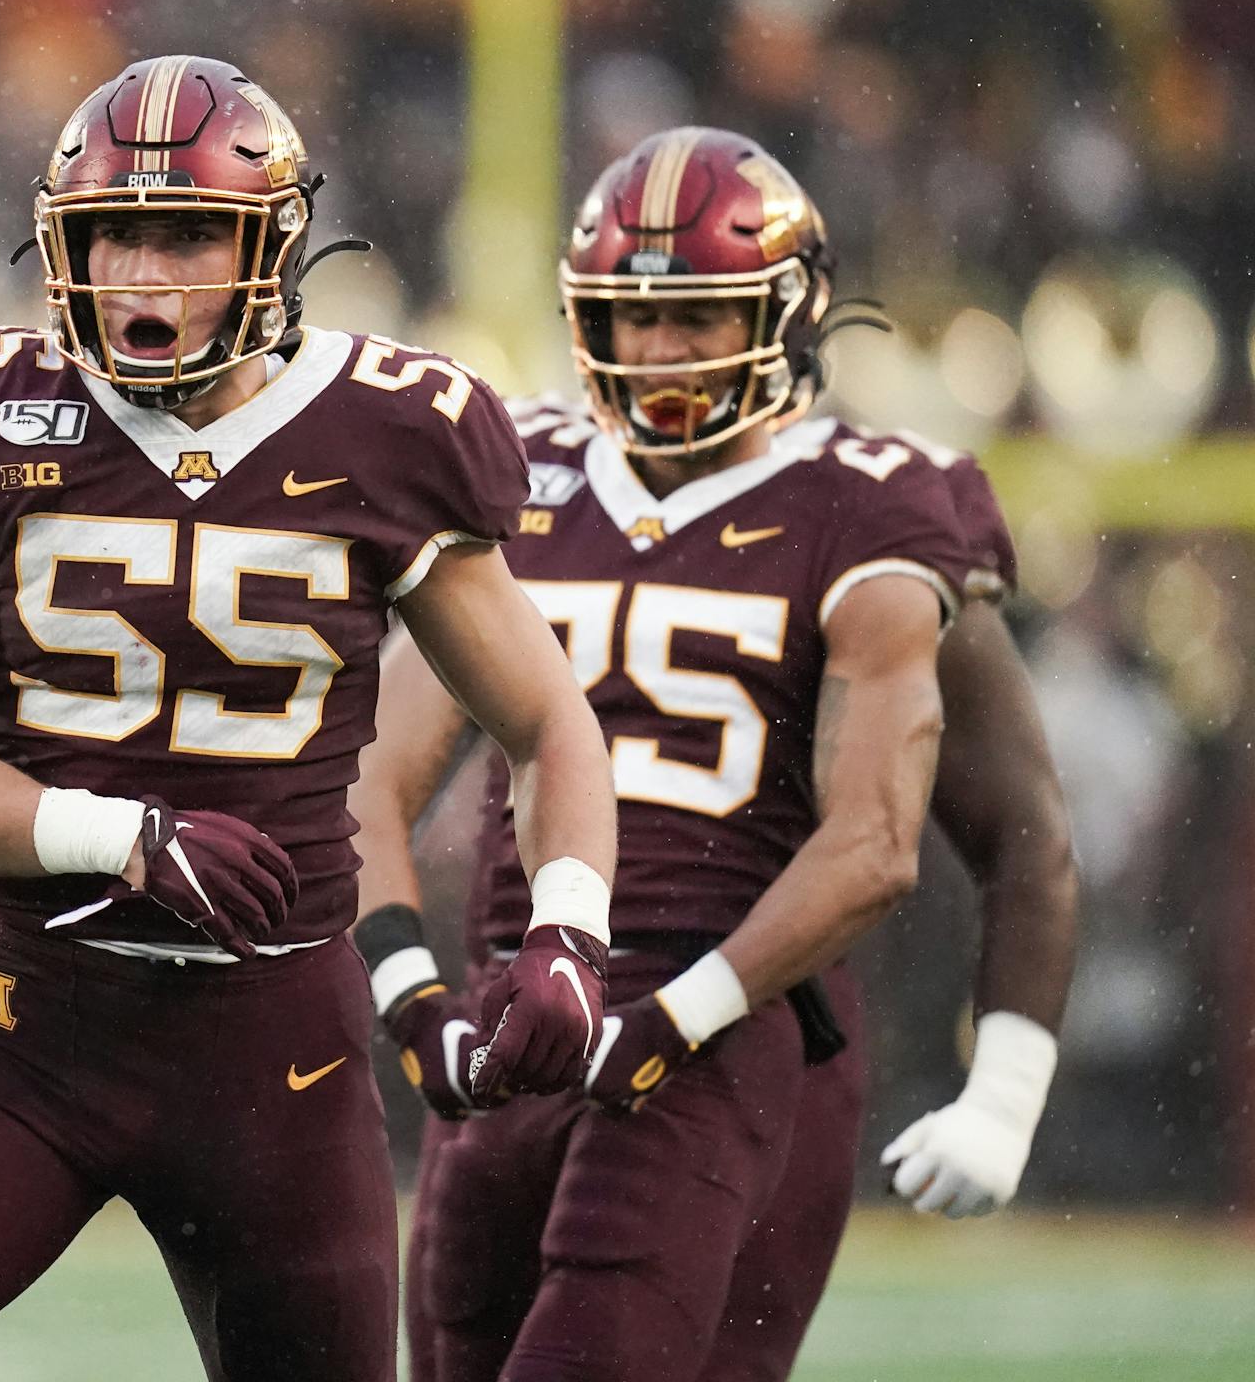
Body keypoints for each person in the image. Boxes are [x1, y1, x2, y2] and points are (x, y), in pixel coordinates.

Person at [0, 55, 618, 1382]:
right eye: (114, 233)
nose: (144, 271)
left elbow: (547, 723)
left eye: (187, 234)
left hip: (279, 1050)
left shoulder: (395, 430)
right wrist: (117, 836)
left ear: (275, 243)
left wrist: (572, 928)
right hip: (31, 1015)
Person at [347, 126, 1025, 1382]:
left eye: (700, 319)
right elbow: (369, 780)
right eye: (635, 318)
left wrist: (676, 1017)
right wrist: (415, 1000)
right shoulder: (523, 473)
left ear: (786, 315)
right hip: (528, 1000)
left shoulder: (873, 504)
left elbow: (888, 845)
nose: (660, 354)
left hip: (741, 1013)